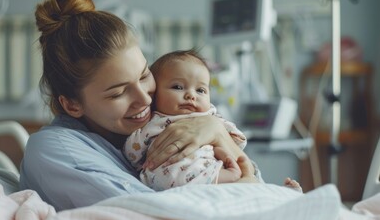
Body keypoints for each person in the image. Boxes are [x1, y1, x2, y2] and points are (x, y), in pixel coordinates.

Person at [19, 0, 262, 211]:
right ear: (72, 105)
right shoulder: (54, 150)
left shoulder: (157, 127)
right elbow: (153, 214)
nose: (145, 98)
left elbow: (254, 182)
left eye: (144, 75)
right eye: (119, 93)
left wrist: (218, 132)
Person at [123, 49, 302, 192]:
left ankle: (279, 195)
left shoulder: (211, 117)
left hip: (210, 174)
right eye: (178, 87)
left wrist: (217, 134)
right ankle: (275, 195)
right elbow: (132, 152)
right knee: (241, 188)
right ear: (155, 95)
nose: (190, 95)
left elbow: (235, 141)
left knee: (240, 188)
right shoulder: (152, 122)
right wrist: (140, 157)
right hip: (165, 180)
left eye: (200, 90)